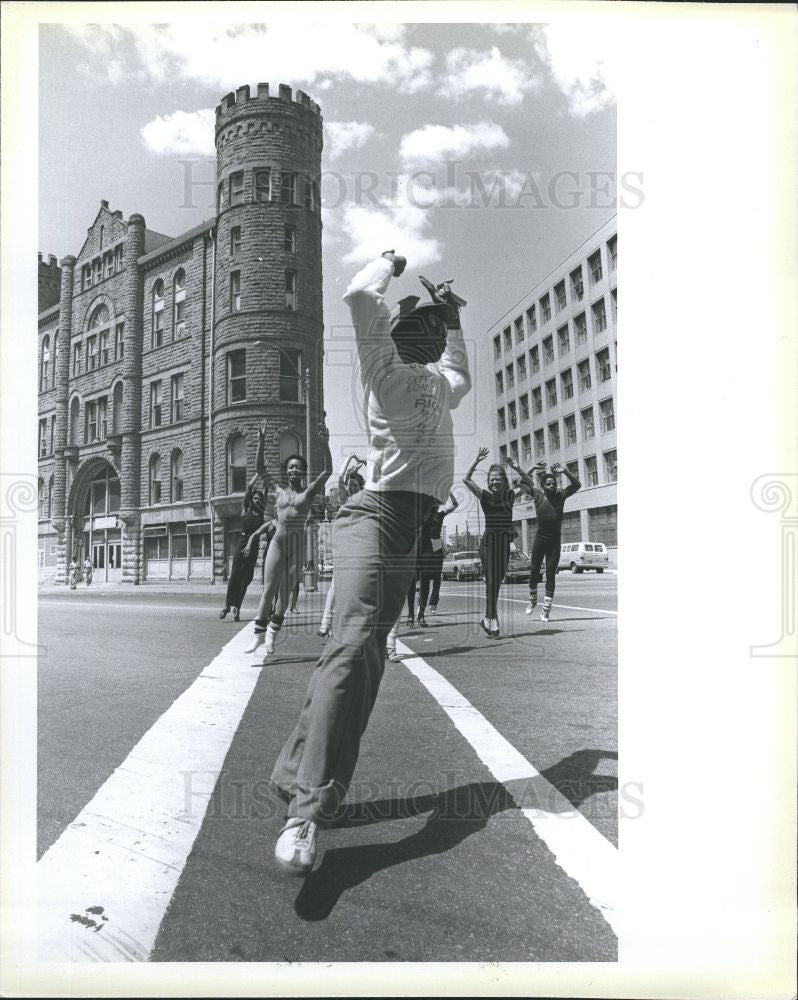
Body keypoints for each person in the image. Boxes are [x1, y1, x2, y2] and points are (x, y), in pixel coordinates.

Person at [269, 250, 471, 875]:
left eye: (433, 327)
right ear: (399, 335)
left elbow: (460, 364)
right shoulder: (381, 369)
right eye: (422, 323)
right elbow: (360, 296)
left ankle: (291, 774)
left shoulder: (442, 385)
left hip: (410, 529)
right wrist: (387, 263)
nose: (429, 330)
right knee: (354, 649)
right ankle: (306, 812)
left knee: (365, 658)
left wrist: (454, 313)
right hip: (372, 517)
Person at [245, 430, 332, 660]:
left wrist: (325, 445)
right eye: (291, 466)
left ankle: (272, 633)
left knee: (284, 592)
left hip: (297, 546)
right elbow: (261, 469)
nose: (294, 469)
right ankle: (258, 634)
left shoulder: (309, 491)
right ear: (287, 470)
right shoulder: (278, 489)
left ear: (303, 471)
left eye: (298, 467)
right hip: (278, 542)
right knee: (268, 590)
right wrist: (262, 440)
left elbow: (328, 472)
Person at [508, 458, 581, 622]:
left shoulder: (561, 495)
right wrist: (530, 467)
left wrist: (564, 471)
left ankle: (546, 610)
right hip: (541, 538)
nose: (552, 485)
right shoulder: (537, 494)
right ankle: (532, 601)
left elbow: (577, 485)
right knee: (534, 571)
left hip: (554, 540)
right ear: (543, 486)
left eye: (553, 483)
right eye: (548, 484)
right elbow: (523, 482)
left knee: (550, 574)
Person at [220, 424, 273, 622]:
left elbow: (266, 489)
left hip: (254, 545)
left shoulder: (261, 510)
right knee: (234, 576)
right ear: (252, 500)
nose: (259, 500)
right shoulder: (246, 508)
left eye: (261, 499)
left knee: (247, 578)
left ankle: (237, 608)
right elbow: (250, 487)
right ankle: (227, 605)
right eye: (256, 498)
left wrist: (265, 472)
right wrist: (259, 473)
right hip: (242, 542)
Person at [463, 448, 515, 638]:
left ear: (503, 481)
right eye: (491, 479)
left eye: (497, 479)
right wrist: (476, 460)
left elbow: (528, 483)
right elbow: (466, 479)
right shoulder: (484, 496)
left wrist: (517, 467)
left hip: (504, 544)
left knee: (498, 581)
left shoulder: (510, 496)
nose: (494, 482)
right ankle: (491, 619)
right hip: (488, 544)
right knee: (491, 581)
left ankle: (488, 619)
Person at [317, 454, 367, 638]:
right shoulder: (345, 499)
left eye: (356, 486)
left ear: (362, 487)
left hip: (359, 549)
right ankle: (326, 623)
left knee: (354, 590)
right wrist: (350, 458)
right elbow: (339, 477)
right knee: (336, 584)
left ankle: (342, 626)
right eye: (350, 485)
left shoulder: (366, 501)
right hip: (343, 546)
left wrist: (368, 464)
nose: (352, 488)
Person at [404, 491, 458, 627]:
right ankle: (410, 614)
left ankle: (420, 614)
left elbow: (455, 504)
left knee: (426, 582)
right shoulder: (418, 512)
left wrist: (448, 491)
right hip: (418, 547)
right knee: (411, 582)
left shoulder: (440, 513)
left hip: (433, 548)